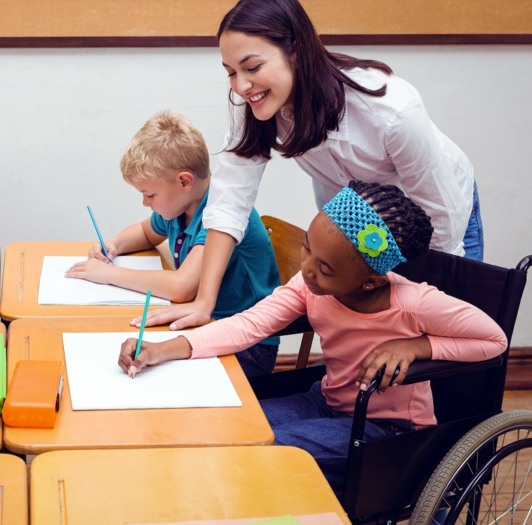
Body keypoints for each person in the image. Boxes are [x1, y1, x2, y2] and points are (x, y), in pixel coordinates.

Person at [118, 182, 506, 492]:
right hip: (324, 400)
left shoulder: (414, 303)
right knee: (226, 427)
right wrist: (162, 350)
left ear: (371, 279)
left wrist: (417, 345)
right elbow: (249, 324)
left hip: (386, 428)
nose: (306, 270)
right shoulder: (308, 285)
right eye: (307, 249)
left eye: (324, 267)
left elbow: (494, 341)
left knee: (261, 449)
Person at [140, 0, 482, 331]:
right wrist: (204, 302)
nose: (241, 86)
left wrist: (426, 304)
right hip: (356, 227)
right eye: (231, 72)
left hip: (436, 219)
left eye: (253, 67)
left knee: (435, 343)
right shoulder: (256, 105)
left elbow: (442, 226)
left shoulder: (391, 111)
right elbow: (229, 203)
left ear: (297, 51)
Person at [66, 111, 281, 376]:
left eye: (150, 194)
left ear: (183, 182)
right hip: (204, 329)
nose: (145, 203)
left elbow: (182, 288)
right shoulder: (180, 206)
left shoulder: (221, 212)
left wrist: (108, 274)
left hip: (249, 345)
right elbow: (146, 232)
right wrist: (114, 244)